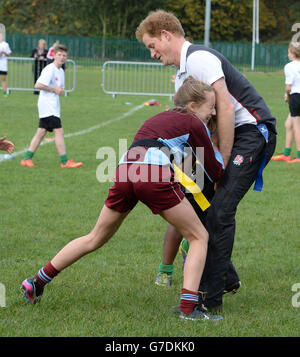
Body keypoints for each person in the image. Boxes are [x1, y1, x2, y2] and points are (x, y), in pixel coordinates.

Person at [21, 77, 224, 321]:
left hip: (126, 168)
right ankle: (189, 310)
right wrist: (228, 171)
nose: (213, 113)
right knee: (199, 236)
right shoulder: (194, 123)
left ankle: (37, 281)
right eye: (211, 107)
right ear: (192, 106)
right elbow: (212, 167)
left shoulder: (157, 117)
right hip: (152, 171)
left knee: (95, 237)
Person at [136, 9, 277, 313]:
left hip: (252, 131)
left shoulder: (199, 58)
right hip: (224, 139)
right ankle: (226, 278)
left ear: (166, 35)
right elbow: (193, 129)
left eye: (152, 46)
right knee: (198, 205)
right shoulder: (182, 77)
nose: (152, 54)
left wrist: (219, 163)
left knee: (221, 211)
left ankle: (208, 300)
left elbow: (224, 109)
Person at [21, 44, 82, 168]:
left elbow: (59, 88)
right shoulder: (50, 69)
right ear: (54, 55)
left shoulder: (61, 71)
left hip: (53, 106)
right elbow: (37, 85)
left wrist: (59, 90)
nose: (62, 57)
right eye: (59, 55)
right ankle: (65, 161)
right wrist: (54, 89)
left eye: (64, 55)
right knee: (59, 131)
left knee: (41, 132)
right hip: (47, 106)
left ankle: (26, 159)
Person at [271, 42, 300, 163]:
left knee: (297, 126)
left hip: (295, 97)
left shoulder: (289, 66)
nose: (288, 54)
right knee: (289, 124)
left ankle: (299, 156)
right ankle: (286, 154)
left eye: (288, 52)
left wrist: (287, 96)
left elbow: (288, 87)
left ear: (292, 53)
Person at [0, 33, 12, 97]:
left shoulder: (5, 44)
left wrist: (3, 52)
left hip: (3, 64)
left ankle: (5, 93)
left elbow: (9, 54)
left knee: (3, 79)